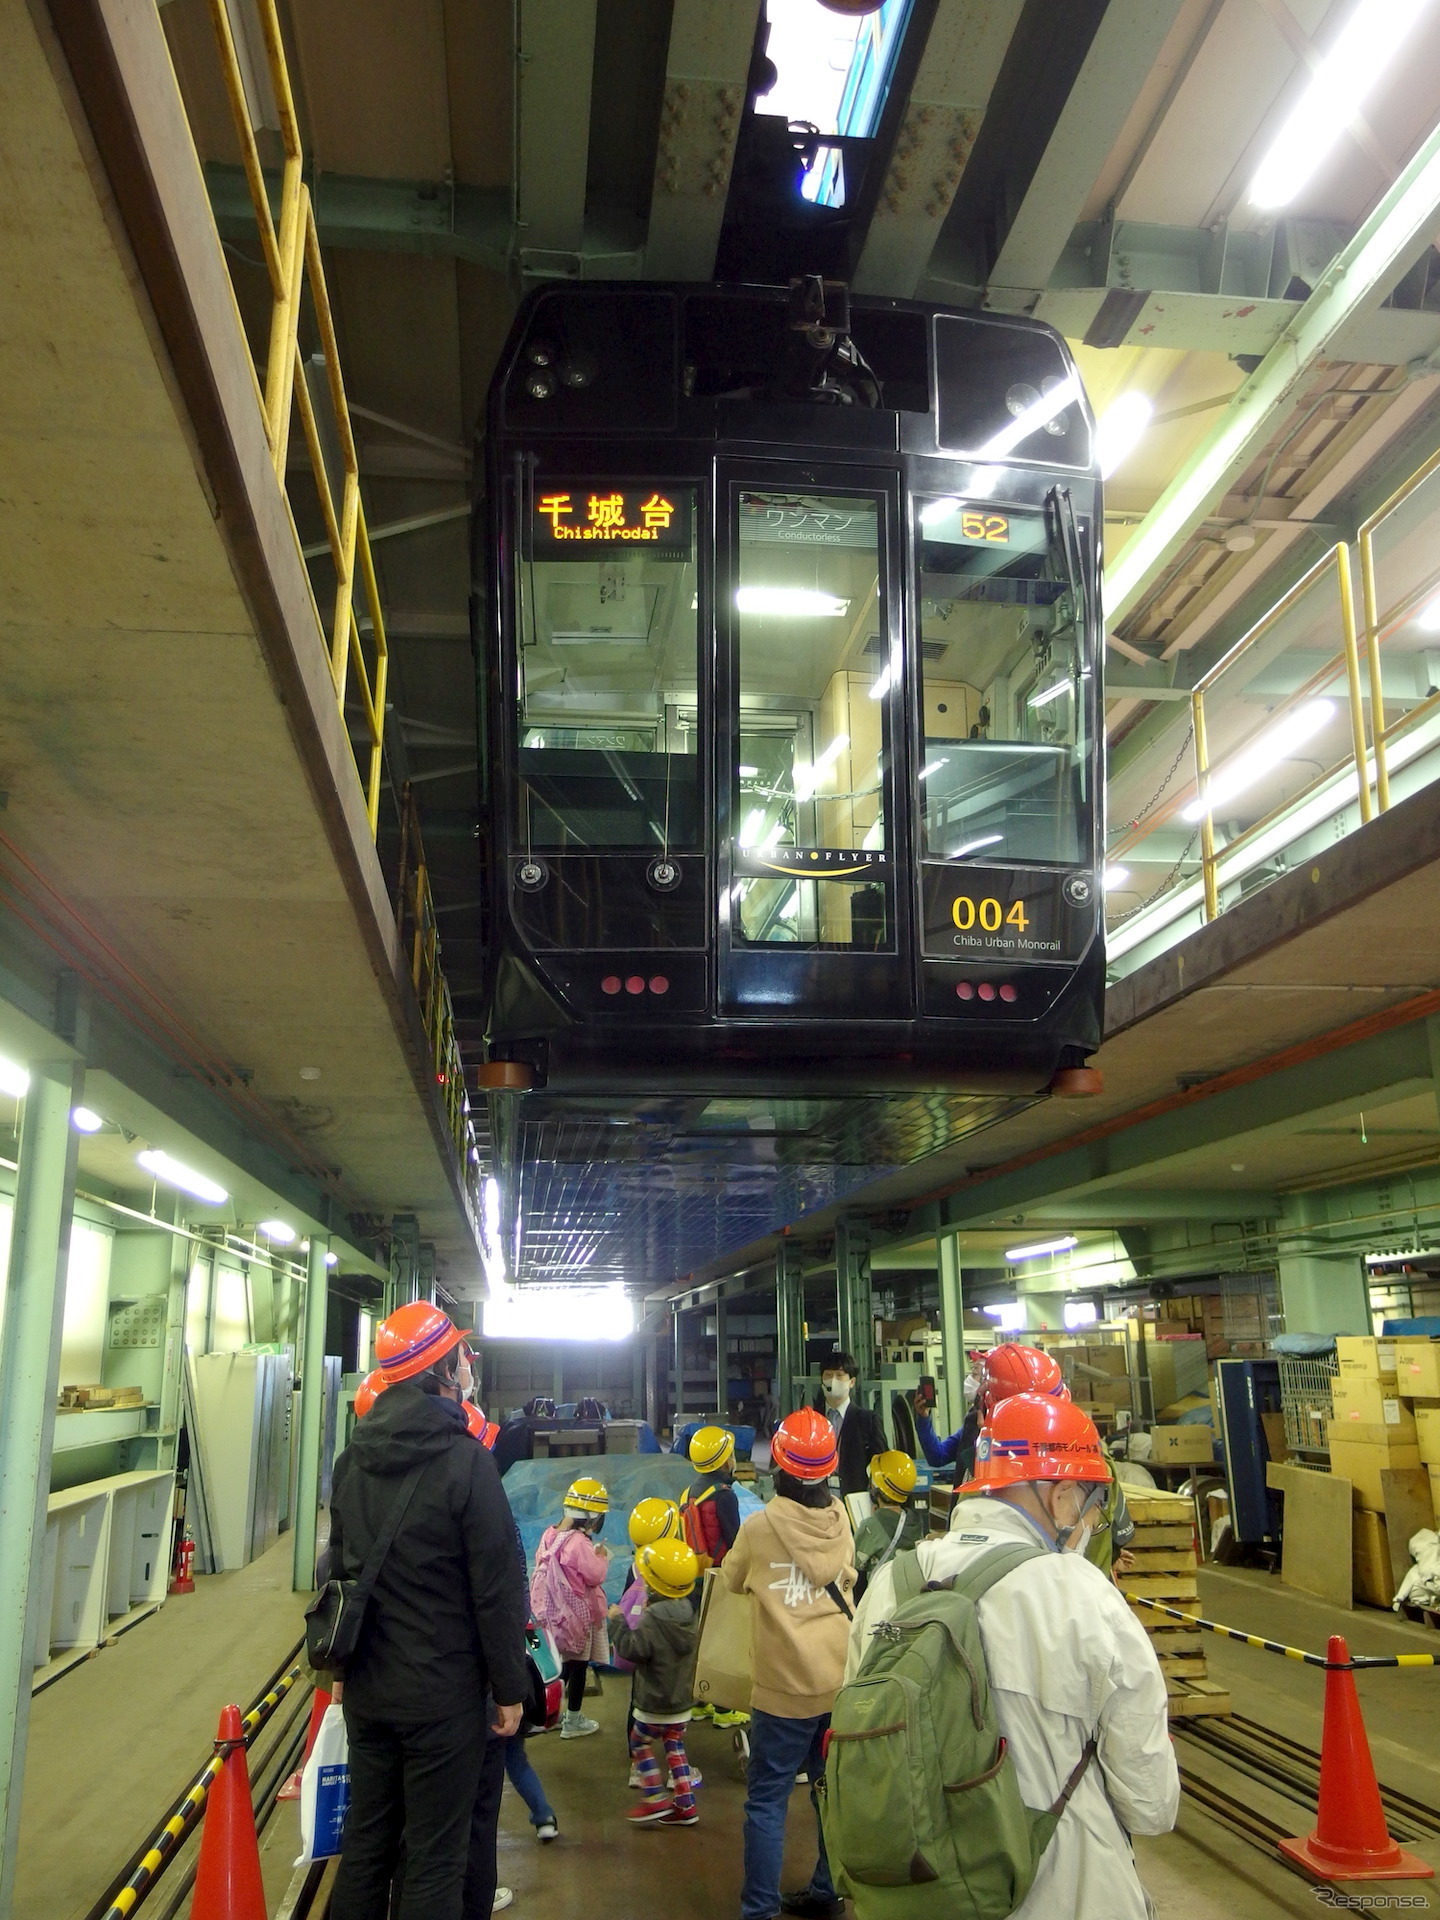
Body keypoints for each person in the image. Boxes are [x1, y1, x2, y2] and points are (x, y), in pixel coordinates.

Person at [846, 1392, 1178, 1920]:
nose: (1091, 1523)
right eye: (1092, 1507)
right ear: (1063, 1496)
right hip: (1069, 1893)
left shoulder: (892, 1584)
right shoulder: (1085, 1597)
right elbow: (1150, 1802)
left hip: (921, 1894)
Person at [327, 1302, 527, 1920]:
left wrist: (342, 1681)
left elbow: (338, 1571)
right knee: (436, 1858)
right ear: (441, 1370)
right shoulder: (466, 1462)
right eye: (462, 1355)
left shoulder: (351, 1462)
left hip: (369, 1688)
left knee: (367, 1845)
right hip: (441, 1697)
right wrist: (508, 1687)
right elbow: (495, 1590)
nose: (468, 1363)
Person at [724, 1407, 857, 1920]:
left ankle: (758, 1910)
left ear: (776, 1466)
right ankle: (827, 1893)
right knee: (829, 1793)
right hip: (839, 1681)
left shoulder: (759, 1530)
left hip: (783, 1692)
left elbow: (734, 1581)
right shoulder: (842, 1517)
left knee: (767, 1802)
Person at [608, 1537, 704, 1827]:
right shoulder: (689, 1612)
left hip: (654, 1701)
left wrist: (617, 1622)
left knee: (639, 1741)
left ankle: (655, 1798)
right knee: (674, 1744)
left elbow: (632, 1649)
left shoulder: (652, 1618)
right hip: (682, 1701)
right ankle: (686, 1805)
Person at [530, 1477, 611, 1737]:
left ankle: (546, 1713)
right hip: (577, 1617)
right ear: (590, 1518)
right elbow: (595, 1575)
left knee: (555, 1665)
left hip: (550, 1615)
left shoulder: (549, 1534)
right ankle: (573, 1720)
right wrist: (602, 1557)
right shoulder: (580, 1543)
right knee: (578, 1667)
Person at [810, 1351, 887, 1496]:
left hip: (854, 1498)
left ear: (852, 1382)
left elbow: (881, 1464)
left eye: (839, 1375)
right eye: (827, 1375)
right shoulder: (811, 1420)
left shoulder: (868, 1420)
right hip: (817, 1498)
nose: (833, 1380)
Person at [851, 1449, 924, 1593]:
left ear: (874, 1488)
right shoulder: (916, 1521)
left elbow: (853, 1564)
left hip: (881, 1598)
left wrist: (874, 1521)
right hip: (909, 1595)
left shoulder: (870, 1526)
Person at [680, 1425, 742, 1568]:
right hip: (719, 1571)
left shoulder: (688, 1492)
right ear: (725, 1461)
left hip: (696, 1568)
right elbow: (735, 1543)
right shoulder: (724, 1495)